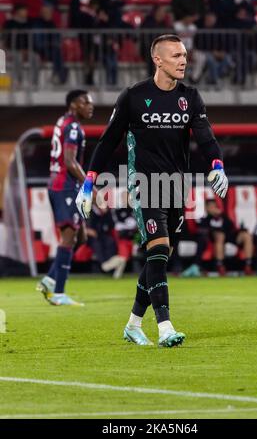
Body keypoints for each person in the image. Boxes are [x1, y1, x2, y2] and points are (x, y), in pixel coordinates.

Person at [76, 34, 228, 347]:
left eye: (184, 55)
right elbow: (107, 141)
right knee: (157, 249)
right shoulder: (133, 95)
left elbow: (206, 136)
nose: (183, 61)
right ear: (157, 59)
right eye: (176, 56)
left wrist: (217, 164)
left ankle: (133, 324)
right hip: (144, 184)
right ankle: (165, 327)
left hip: (176, 186)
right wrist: (89, 181)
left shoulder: (191, 97)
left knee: (160, 257)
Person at [37, 90, 94, 306]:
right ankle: (59, 293)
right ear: (73, 104)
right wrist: (89, 185)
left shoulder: (63, 121)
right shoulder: (72, 127)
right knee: (69, 238)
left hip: (60, 184)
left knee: (81, 238)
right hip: (65, 186)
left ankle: (50, 279)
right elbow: (70, 161)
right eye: (85, 102)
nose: (90, 106)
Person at [183, 199, 254, 276]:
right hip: (216, 238)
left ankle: (248, 265)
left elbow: (231, 227)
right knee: (220, 235)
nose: (213, 208)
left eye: (214, 206)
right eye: (210, 207)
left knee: (247, 235)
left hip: (229, 235)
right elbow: (202, 230)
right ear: (206, 208)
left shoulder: (223, 217)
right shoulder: (204, 219)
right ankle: (220, 266)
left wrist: (221, 215)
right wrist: (210, 217)